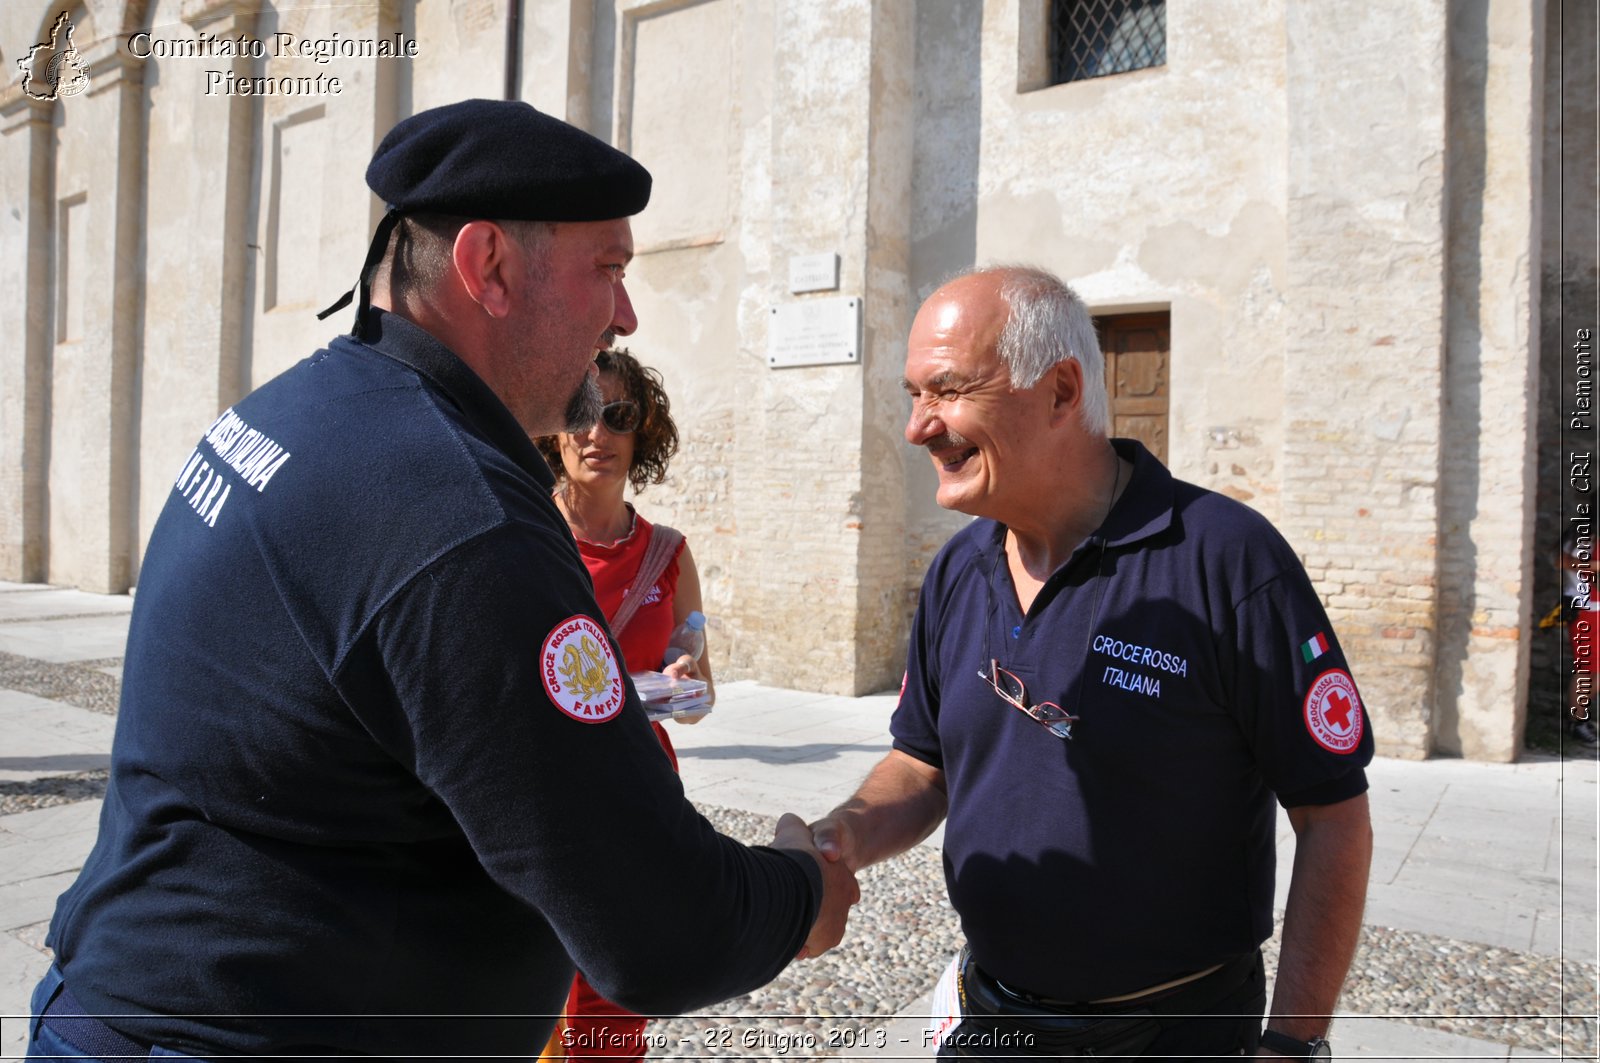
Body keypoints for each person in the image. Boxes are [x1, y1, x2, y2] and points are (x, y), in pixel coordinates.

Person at [26, 98, 856, 1062]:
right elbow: (657, 926)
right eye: (610, 270)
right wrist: (800, 887)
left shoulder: (296, 412)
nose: (626, 314)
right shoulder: (460, 516)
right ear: (489, 266)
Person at [807, 266, 1374, 1061]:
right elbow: (922, 764)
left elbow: (1334, 815)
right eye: (912, 395)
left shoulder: (1229, 562)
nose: (918, 427)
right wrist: (838, 838)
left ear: (1062, 390)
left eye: (946, 390)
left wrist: (1290, 1045)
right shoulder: (957, 571)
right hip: (994, 1016)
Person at [533, 348, 714, 1061]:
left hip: (639, 796)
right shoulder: (519, 536)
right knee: (534, 1004)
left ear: (643, 433)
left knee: (616, 1004)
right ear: (552, 429)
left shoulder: (670, 554)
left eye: (618, 416)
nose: (596, 433)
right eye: (578, 413)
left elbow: (701, 695)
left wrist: (686, 680)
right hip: (539, 803)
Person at [1560, 521, 1599, 746]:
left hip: (1595, 610)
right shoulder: (1580, 535)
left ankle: (1579, 716)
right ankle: (1577, 721)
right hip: (1585, 610)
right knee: (1586, 669)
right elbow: (1562, 562)